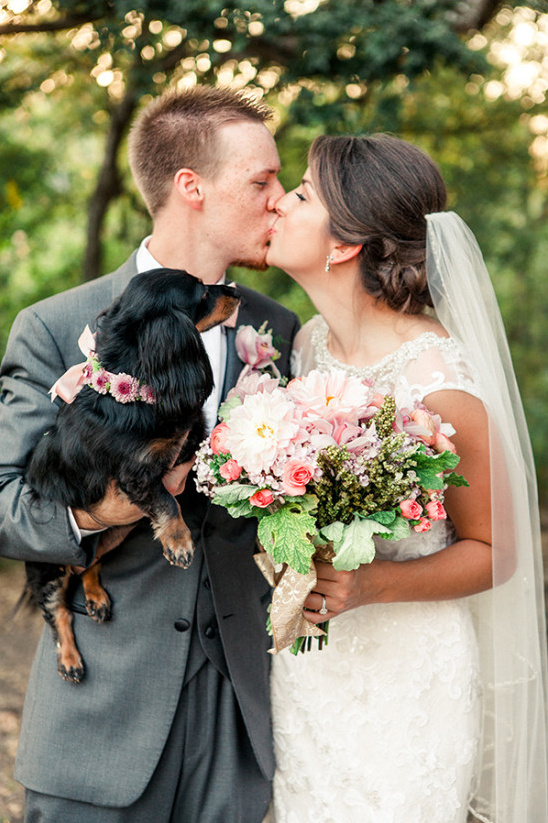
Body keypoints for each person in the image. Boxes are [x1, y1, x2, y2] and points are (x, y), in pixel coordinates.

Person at [0, 86, 300, 822]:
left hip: (235, 725)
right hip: (99, 718)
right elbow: (5, 504)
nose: (280, 201)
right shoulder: (55, 325)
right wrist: (107, 508)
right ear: (190, 187)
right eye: (261, 182)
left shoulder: (280, 328)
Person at [265, 134, 548, 822]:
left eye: (301, 194)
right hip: (312, 663)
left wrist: (367, 584)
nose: (279, 201)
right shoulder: (305, 344)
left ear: (344, 246)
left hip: (408, 677)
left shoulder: (439, 380)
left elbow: (498, 551)